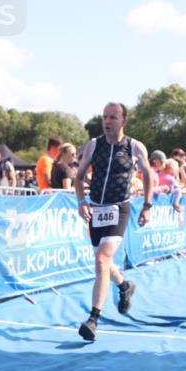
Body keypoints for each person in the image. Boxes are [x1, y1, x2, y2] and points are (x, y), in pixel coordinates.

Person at [75, 102, 152, 342]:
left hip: (120, 208)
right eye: (104, 117)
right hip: (96, 209)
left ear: (123, 121)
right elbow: (78, 178)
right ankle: (124, 286)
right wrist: (82, 202)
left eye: (113, 117)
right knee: (104, 261)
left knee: (101, 259)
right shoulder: (93, 145)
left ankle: (93, 319)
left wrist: (148, 206)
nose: (107, 122)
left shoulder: (134, 147)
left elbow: (149, 174)